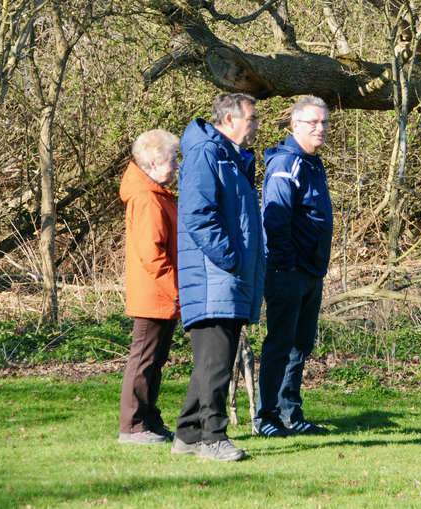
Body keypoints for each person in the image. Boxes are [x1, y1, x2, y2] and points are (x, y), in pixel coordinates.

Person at [171, 93, 265, 461]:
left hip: (227, 277)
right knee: (216, 364)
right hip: (214, 277)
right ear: (229, 120)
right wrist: (231, 258)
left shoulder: (232, 159)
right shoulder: (207, 155)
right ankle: (213, 438)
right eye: (252, 118)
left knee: (214, 362)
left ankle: (188, 434)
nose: (257, 124)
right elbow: (198, 214)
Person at [253, 95, 333, 437]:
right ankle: (266, 416)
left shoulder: (314, 164)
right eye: (313, 122)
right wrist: (285, 265)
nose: (320, 128)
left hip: (312, 272)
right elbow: (276, 218)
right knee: (280, 344)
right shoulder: (287, 164)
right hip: (287, 271)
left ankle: (290, 411)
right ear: (295, 125)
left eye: (324, 122)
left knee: (301, 344)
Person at [118, 129, 181, 444]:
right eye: (173, 159)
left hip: (161, 294)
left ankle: (149, 420)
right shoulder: (146, 199)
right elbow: (153, 255)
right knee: (144, 360)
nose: (177, 165)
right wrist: (177, 291)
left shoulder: (157, 194)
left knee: (155, 362)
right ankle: (132, 425)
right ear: (155, 162)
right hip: (154, 294)